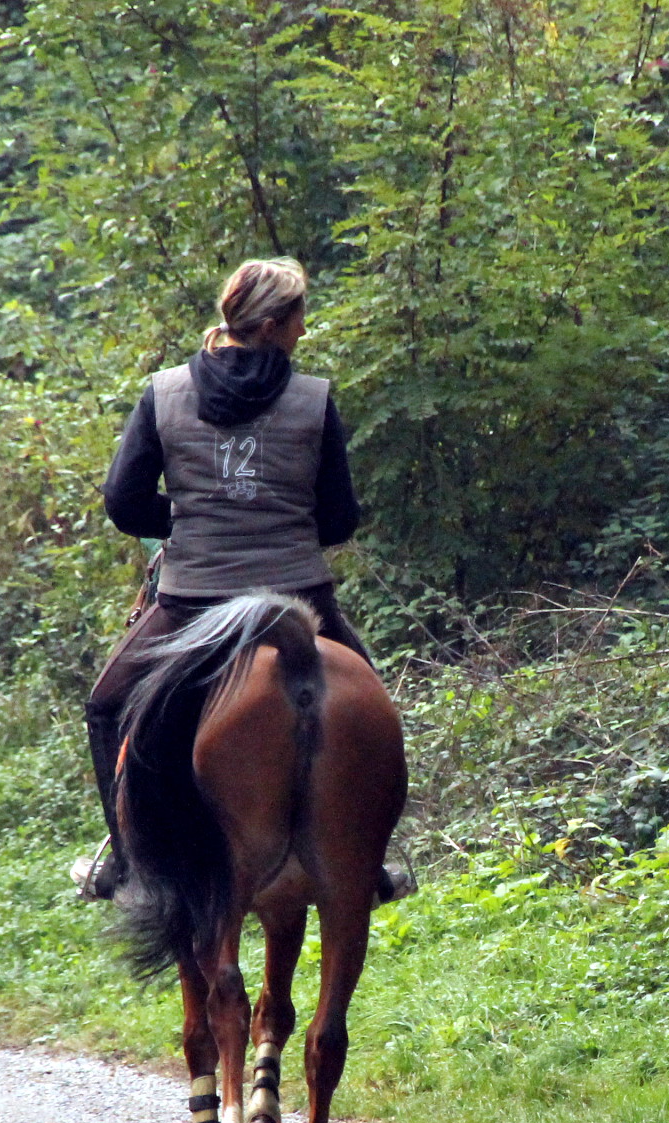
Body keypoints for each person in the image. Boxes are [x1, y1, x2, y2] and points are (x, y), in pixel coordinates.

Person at [73, 256, 412, 903]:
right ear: (277, 324)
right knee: (374, 708)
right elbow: (338, 520)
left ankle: (125, 866)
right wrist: (277, 518)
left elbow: (123, 503)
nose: (304, 332)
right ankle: (368, 864)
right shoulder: (314, 399)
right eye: (300, 319)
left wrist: (186, 516)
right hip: (299, 597)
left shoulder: (164, 392)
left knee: (108, 705)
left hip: (193, 599)